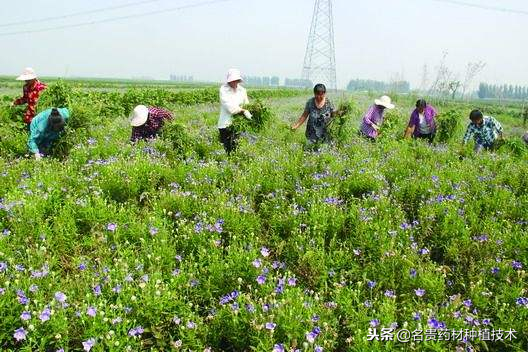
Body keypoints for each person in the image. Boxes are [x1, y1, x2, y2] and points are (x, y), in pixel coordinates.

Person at [218, 69, 252, 154]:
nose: (234, 83)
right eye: (232, 81)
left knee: (236, 146)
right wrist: (242, 110)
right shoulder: (224, 90)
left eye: (235, 81)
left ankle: (234, 163)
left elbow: (246, 104)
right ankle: (229, 164)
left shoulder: (242, 90)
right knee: (228, 148)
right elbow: (229, 107)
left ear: (238, 80)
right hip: (226, 124)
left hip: (238, 123)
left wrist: (249, 110)